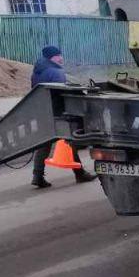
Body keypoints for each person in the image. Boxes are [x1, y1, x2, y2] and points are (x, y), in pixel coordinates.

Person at [30, 45, 95, 189]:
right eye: (58, 56)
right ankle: (80, 174)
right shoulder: (55, 71)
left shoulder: (36, 72)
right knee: (70, 141)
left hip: (42, 111)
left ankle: (37, 176)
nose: (61, 58)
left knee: (44, 144)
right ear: (51, 57)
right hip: (58, 112)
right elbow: (63, 91)